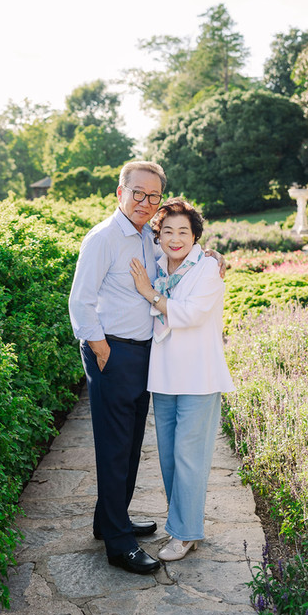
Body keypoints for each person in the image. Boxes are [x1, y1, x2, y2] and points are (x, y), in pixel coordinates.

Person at [69, 162, 224, 575]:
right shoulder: (103, 238)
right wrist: (99, 348)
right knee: (115, 446)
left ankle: (110, 520)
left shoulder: (145, 238)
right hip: (114, 353)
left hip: (143, 357)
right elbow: (80, 300)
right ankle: (119, 544)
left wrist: (207, 254)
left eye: (153, 196)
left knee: (130, 445)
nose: (145, 201)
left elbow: (181, 255)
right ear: (119, 192)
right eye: (138, 193)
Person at [130, 197, 234, 562]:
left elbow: (189, 315)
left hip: (198, 378)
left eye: (183, 232)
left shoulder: (206, 268)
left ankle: (186, 533)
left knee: (190, 458)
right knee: (170, 460)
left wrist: (149, 293)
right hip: (165, 377)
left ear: (195, 237)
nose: (175, 239)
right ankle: (181, 525)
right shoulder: (158, 264)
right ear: (158, 237)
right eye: (168, 231)